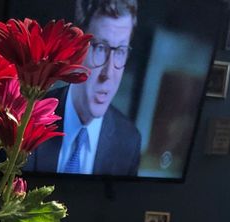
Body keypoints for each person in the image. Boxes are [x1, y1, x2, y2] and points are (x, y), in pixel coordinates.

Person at [25, 0, 142, 176]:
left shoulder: (129, 141)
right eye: (100, 48)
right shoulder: (27, 118)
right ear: (76, 49)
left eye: (120, 51)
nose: (108, 73)